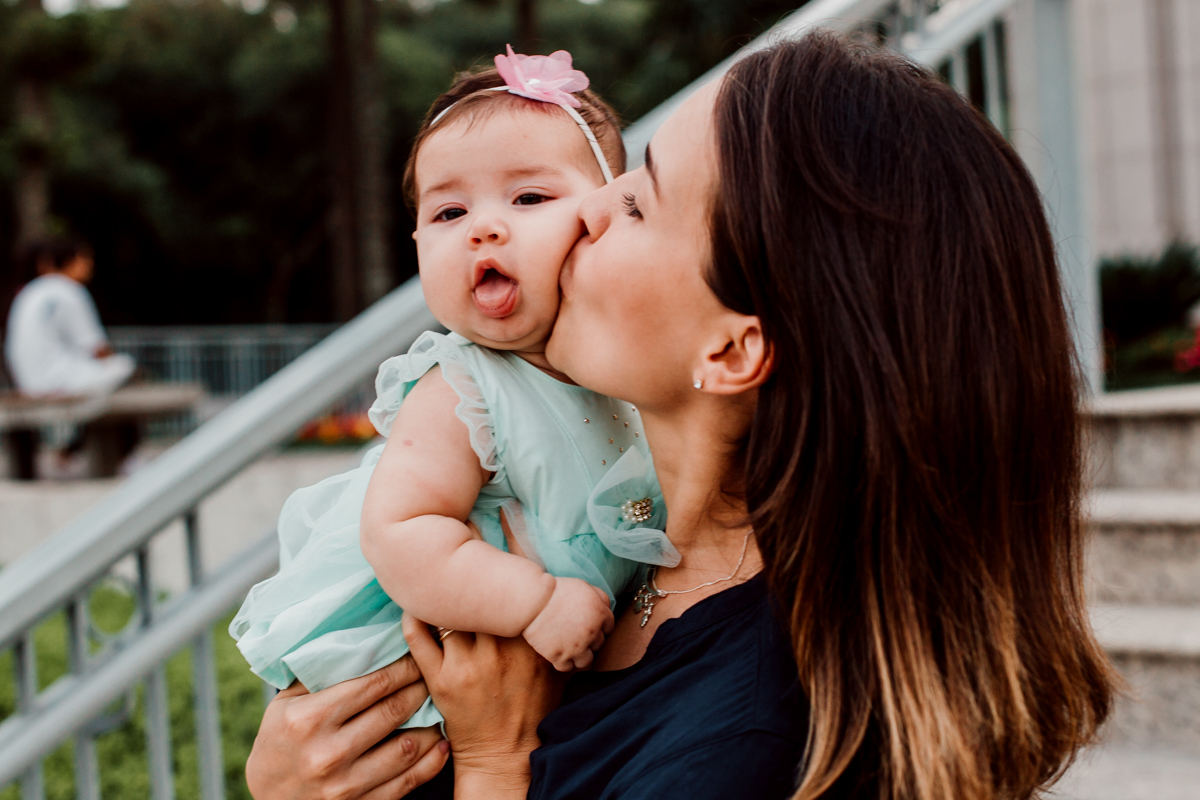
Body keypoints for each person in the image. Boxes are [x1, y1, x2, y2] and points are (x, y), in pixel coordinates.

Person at [244, 32, 1118, 800]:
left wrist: (496, 765)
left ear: (733, 351)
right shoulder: (628, 538)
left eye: (636, 202)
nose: (584, 209)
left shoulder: (738, 748)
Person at [229, 47, 680, 735]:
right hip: (418, 690)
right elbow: (403, 531)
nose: (484, 227)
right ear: (416, 244)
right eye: (448, 213)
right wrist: (534, 603)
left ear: (603, 218)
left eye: (529, 198)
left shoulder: (621, 379)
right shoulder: (460, 387)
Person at [5, 238, 134, 397]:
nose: (90, 265)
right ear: (69, 261)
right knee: (124, 365)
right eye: (85, 258)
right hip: (59, 382)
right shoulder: (68, 289)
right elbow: (97, 348)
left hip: (26, 383)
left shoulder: (30, 290)